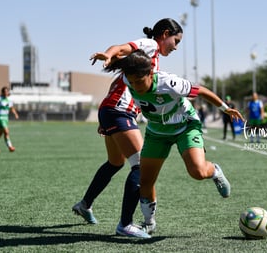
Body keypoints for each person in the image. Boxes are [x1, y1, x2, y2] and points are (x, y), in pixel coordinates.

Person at [105, 49, 244, 237]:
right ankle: (149, 223)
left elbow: (201, 90)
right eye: (133, 81)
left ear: (150, 73)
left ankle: (215, 171)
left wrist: (225, 109)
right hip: (156, 131)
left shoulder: (169, 83)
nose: (136, 86)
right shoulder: (127, 79)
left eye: (140, 81)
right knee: (145, 181)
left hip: (185, 126)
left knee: (197, 171)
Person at [72, 18, 183, 239]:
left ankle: (84, 205)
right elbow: (121, 48)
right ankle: (125, 224)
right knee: (141, 165)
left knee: (115, 162)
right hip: (119, 111)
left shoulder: (151, 58)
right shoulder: (150, 46)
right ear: (165, 33)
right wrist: (108, 53)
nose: (176, 46)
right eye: (175, 40)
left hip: (111, 110)